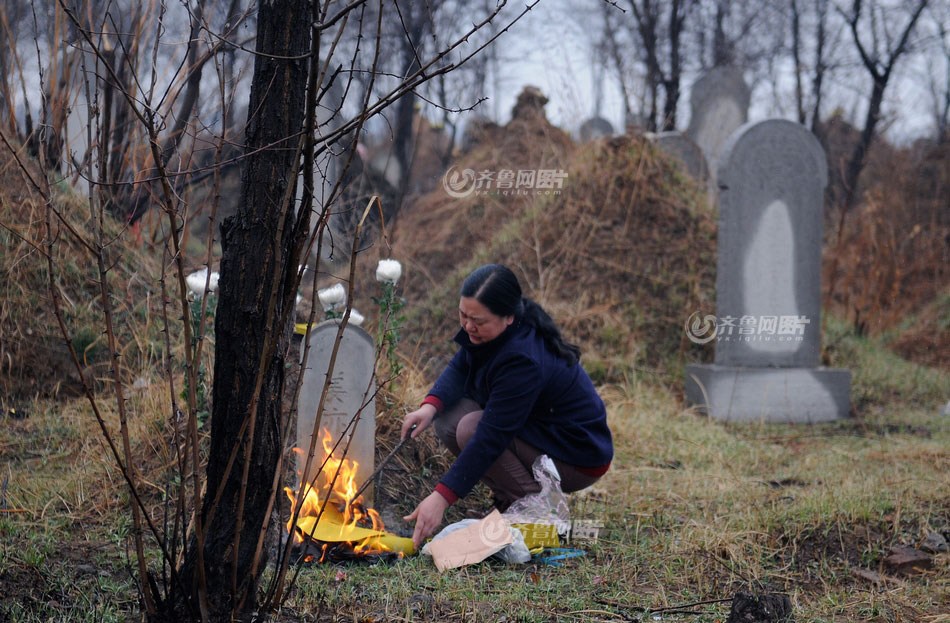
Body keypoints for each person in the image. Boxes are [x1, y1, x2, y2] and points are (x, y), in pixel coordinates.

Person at [401, 264, 613, 548]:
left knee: (470, 429)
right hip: (539, 433)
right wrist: (430, 406)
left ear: (508, 317)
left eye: (477, 320)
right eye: (463, 315)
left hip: (577, 454)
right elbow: (463, 364)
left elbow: (490, 437)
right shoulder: (491, 329)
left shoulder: (523, 359)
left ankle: (540, 513)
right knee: (448, 417)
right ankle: (511, 502)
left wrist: (441, 497)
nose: (467, 326)